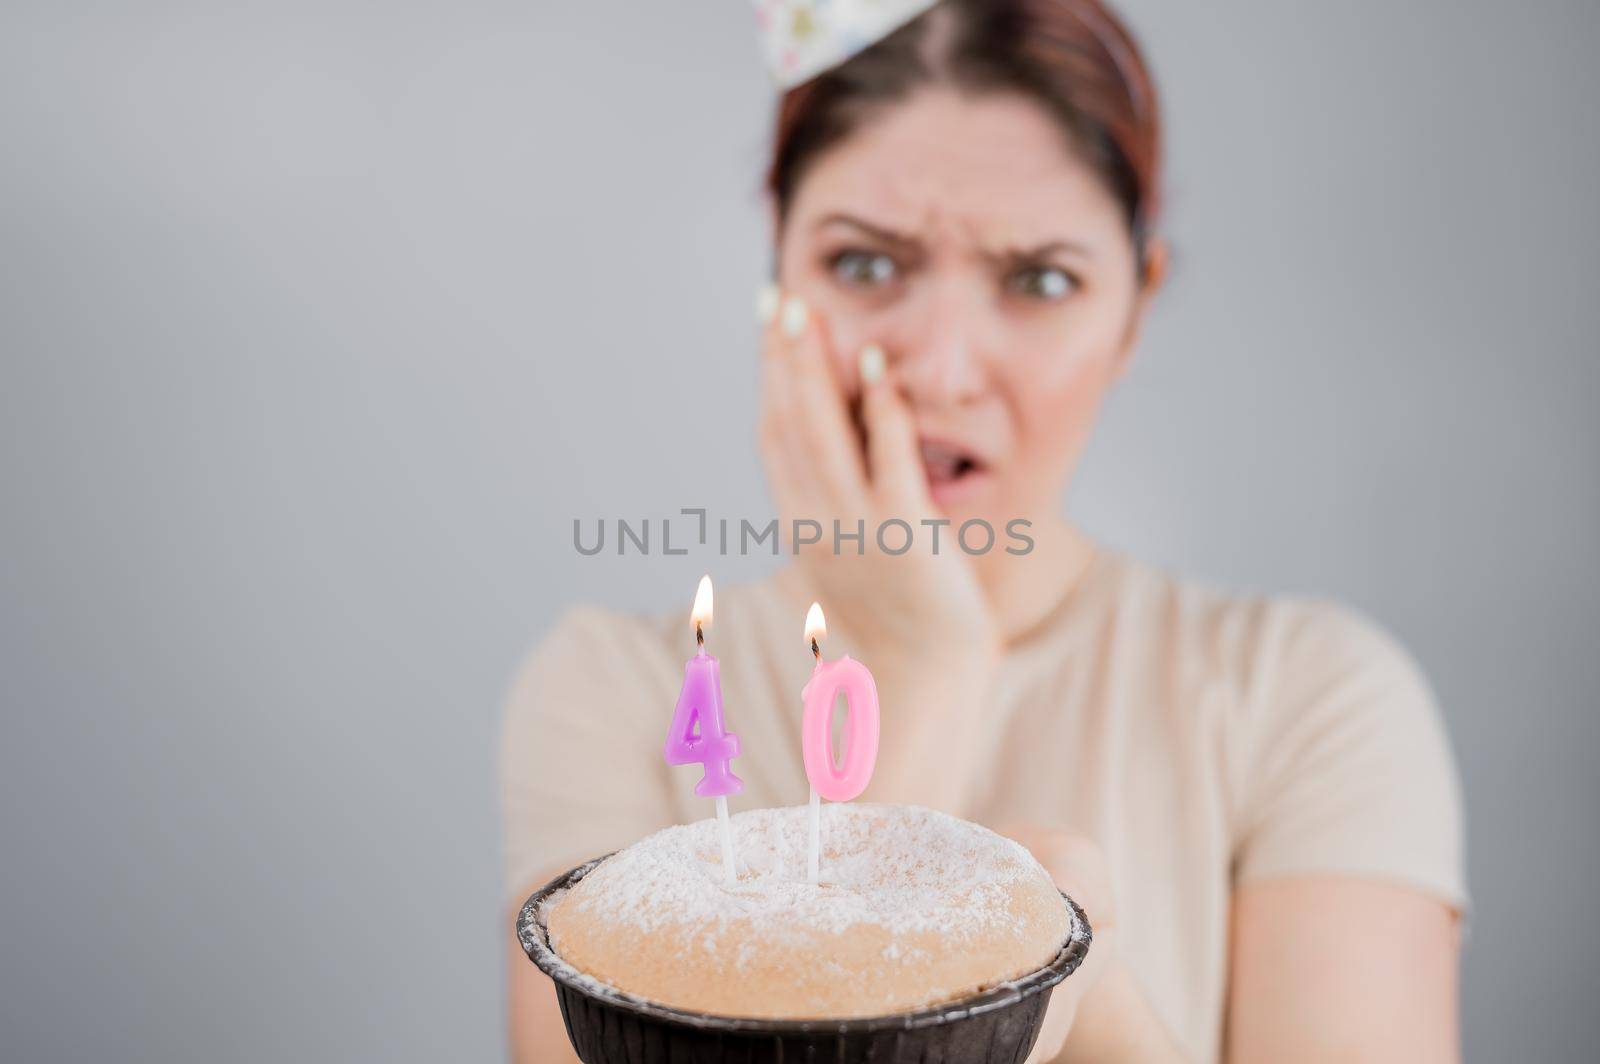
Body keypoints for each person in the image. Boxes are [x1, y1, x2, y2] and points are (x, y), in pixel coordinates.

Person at [503, 1, 1466, 1060]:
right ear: (776, 267)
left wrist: (1077, 985)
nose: (944, 367)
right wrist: (927, 670)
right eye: (866, 265)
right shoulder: (614, 690)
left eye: (1040, 280)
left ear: (1133, 312)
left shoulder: (1306, 703)